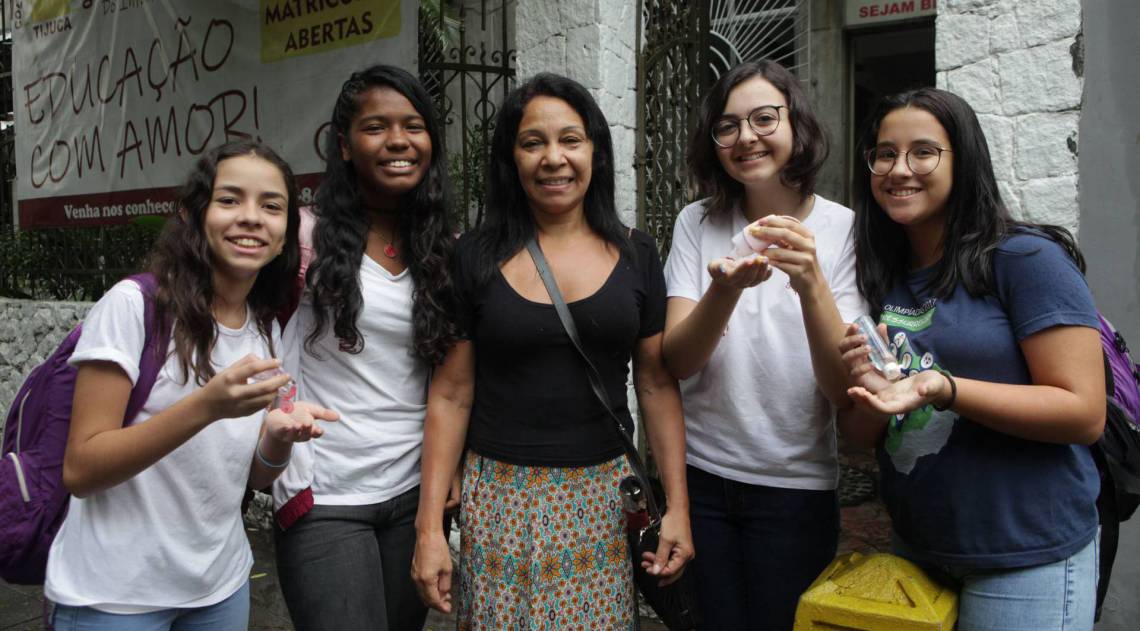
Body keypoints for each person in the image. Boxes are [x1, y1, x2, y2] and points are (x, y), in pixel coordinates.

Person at [411, 73, 693, 629]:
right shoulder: (475, 258)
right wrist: (429, 531)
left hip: (603, 500)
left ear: (595, 151)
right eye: (532, 142)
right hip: (499, 498)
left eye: (570, 139)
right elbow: (450, 394)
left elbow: (657, 385)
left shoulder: (637, 254)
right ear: (511, 159)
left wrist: (677, 509)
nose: (553, 158)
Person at [839, 87, 1104, 631]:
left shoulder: (1025, 259)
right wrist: (869, 382)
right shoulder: (882, 275)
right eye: (884, 153)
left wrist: (945, 387)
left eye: (924, 152)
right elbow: (862, 436)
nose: (899, 169)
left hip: (1023, 554)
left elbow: (1083, 413)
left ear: (964, 159)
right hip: (917, 548)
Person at [44, 140, 338, 630]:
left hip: (219, 590)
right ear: (192, 215)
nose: (251, 217)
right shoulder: (134, 307)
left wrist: (278, 439)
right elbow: (82, 468)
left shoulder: (263, 330)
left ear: (288, 232)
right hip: (116, 598)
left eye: (271, 206)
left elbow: (252, 478)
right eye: (229, 200)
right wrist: (207, 406)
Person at [660, 60, 867, 630]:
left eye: (764, 119)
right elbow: (677, 360)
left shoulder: (845, 230)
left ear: (797, 126)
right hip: (702, 479)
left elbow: (842, 389)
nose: (745, 137)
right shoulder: (696, 222)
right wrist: (723, 292)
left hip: (796, 488)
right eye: (728, 126)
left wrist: (810, 284)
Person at [270, 64, 459, 631]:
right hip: (326, 495)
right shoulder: (302, 238)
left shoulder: (445, 249)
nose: (399, 141)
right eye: (376, 127)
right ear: (345, 146)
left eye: (413, 126)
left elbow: (453, 380)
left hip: (414, 496)